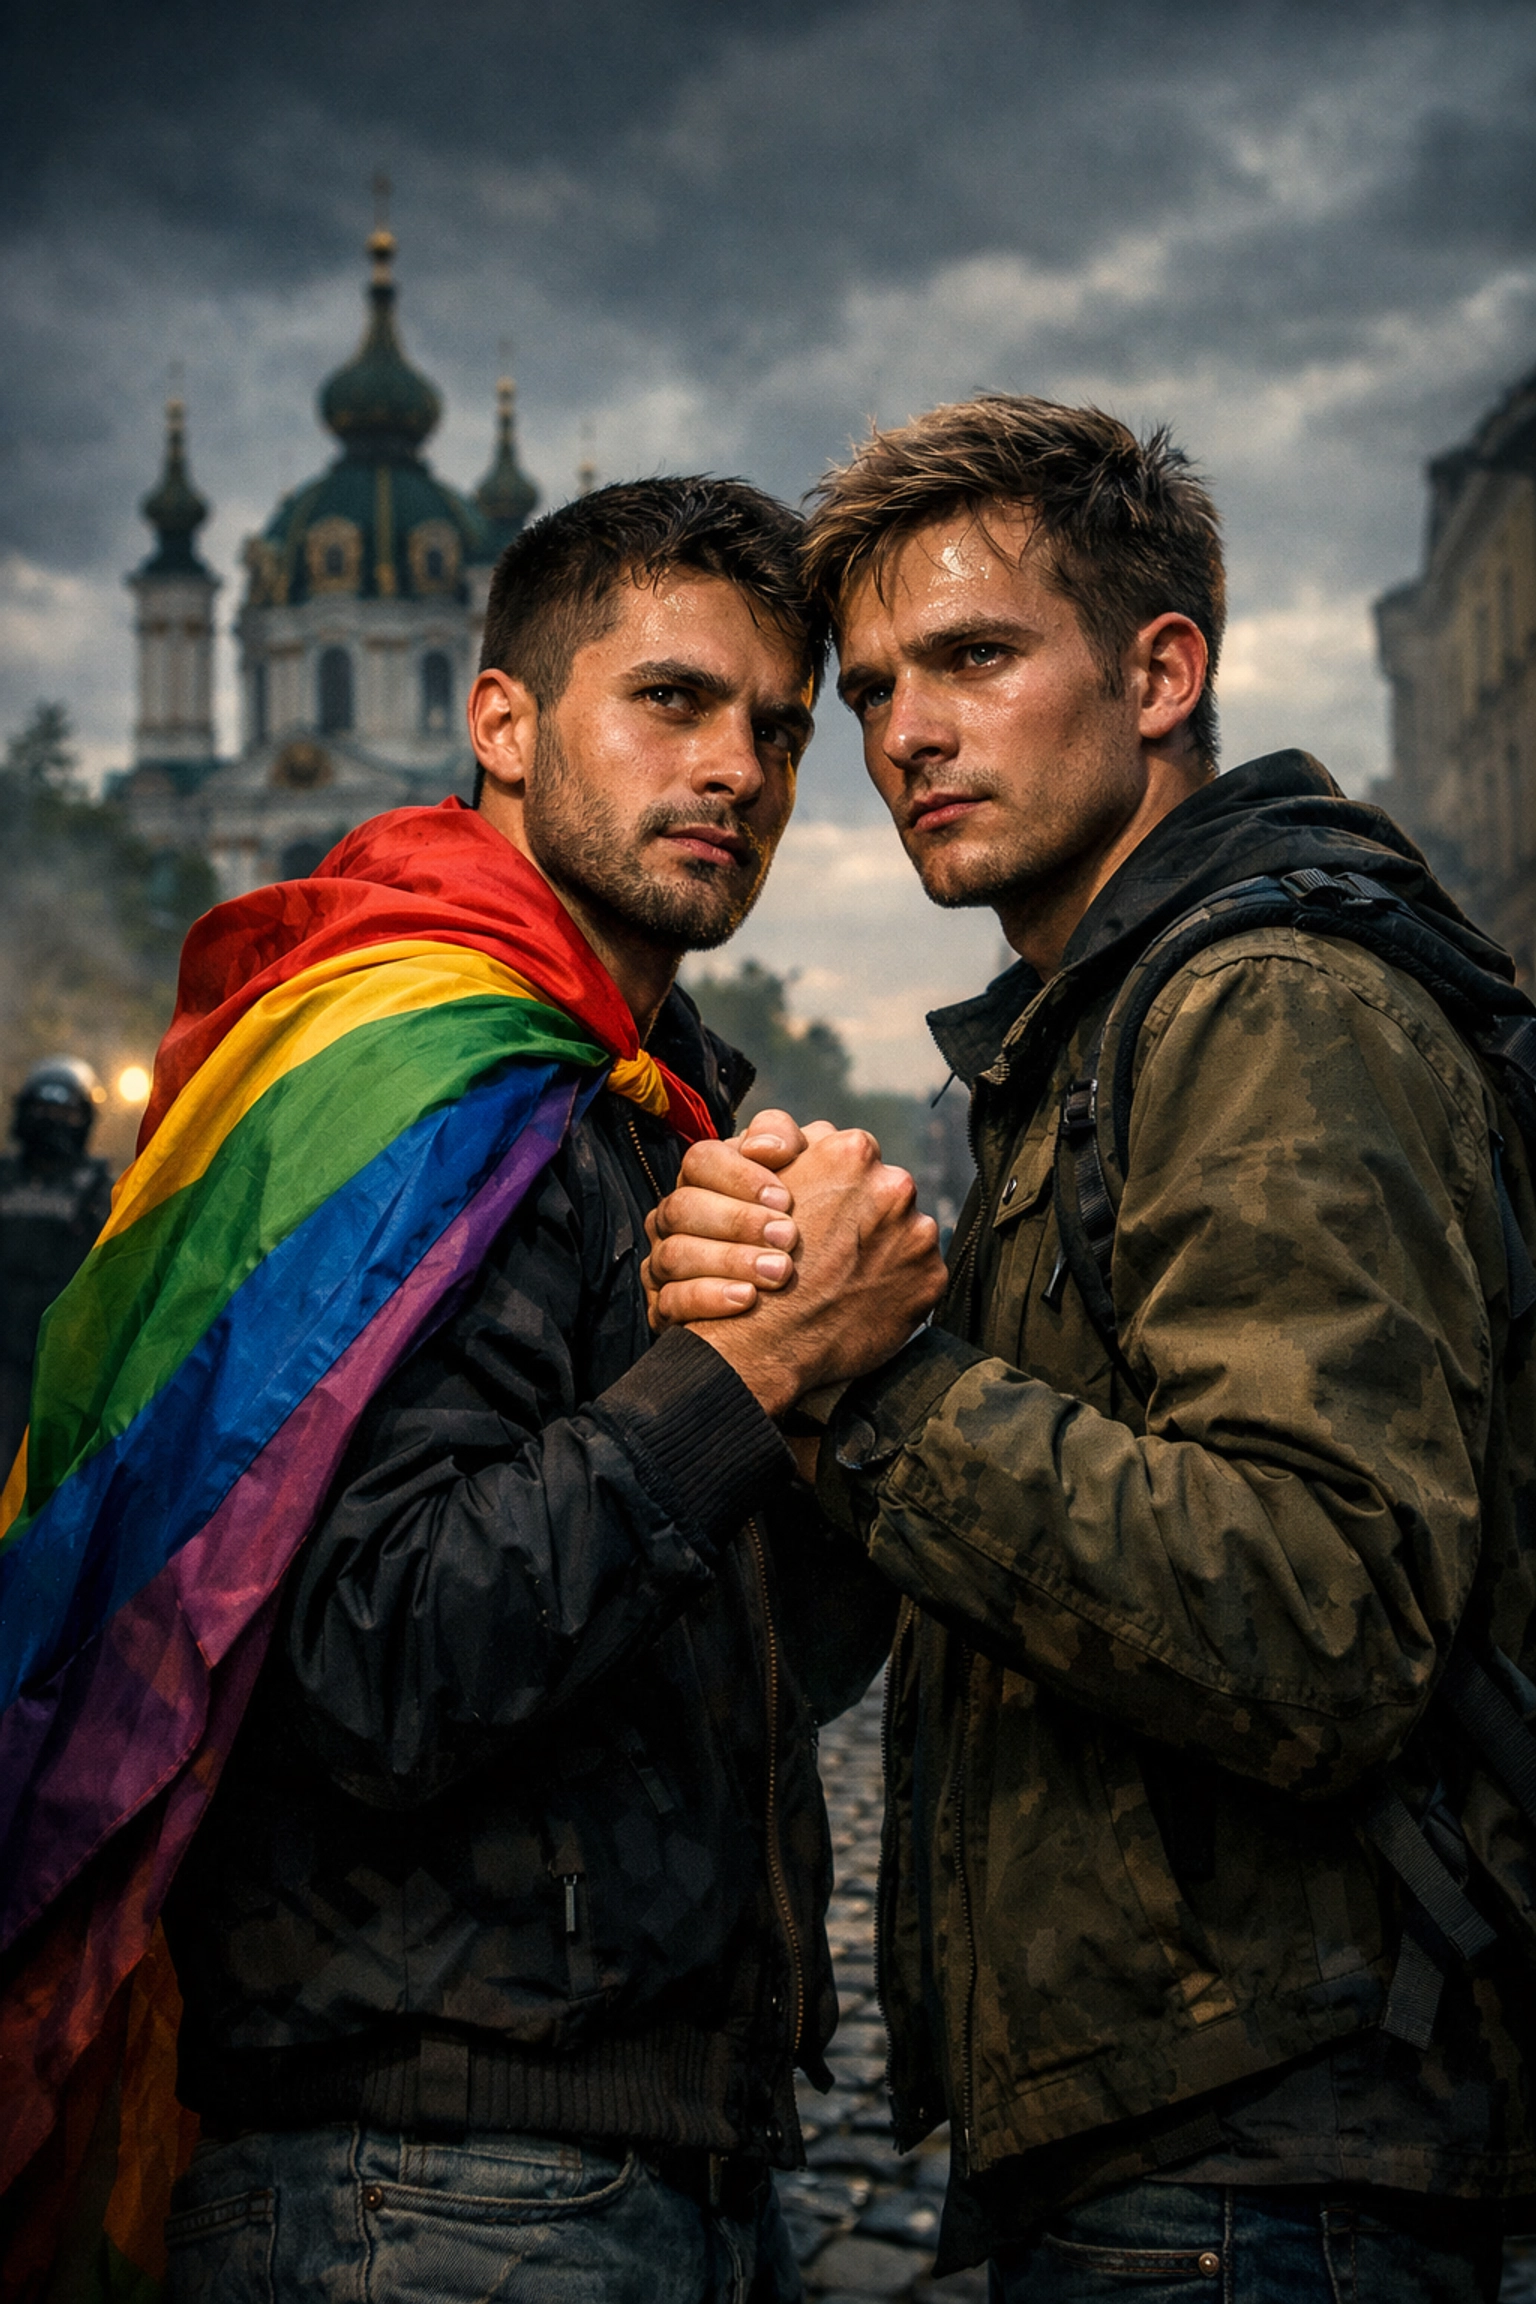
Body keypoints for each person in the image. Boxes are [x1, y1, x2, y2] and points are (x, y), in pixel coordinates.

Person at [643, 399, 1534, 2303]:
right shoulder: (1100, 1025)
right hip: (1174, 2128)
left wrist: (875, 1377)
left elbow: (1323, 1608)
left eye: (972, 656)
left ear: (1160, 672)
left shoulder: (1263, 1000)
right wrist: (779, 1364)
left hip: (1272, 2155)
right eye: (874, 686)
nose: (906, 734)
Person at [126, 480, 945, 2301]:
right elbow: (367, 1657)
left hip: (655, 2135)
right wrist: (742, 1371)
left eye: (779, 724)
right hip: (431, 2175)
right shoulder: (419, 1072)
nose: (738, 765)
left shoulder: (640, 1093)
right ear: (500, 720)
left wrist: (828, 1410)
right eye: (671, 699)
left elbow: (739, 1667)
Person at [0, 1057, 112, 1474]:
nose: (52, 1123)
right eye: (43, 1111)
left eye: (64, 1113)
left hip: (66, 1359)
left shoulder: (99, 1188)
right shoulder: (5, 1177)